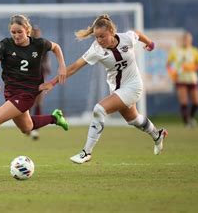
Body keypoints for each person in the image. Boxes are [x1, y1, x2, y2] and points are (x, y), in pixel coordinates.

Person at [41, 14, 168, 164]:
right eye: (96, 37)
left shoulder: (127, 38)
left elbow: (137, 34)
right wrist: (52, 82)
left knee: (99, 109)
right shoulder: (96, 49)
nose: (99, 40)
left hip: (133, 86)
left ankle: (86, 152)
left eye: (102, 36)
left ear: (112, 32)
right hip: (117, 89)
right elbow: (75, 67)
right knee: (133, 119)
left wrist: (150, 43)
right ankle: (157, 135)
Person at [0, 14, 69, 174]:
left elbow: (56, 47)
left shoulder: (39, 44)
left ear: (27, 31)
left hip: (27, 95)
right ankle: (54, 118)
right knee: (27, 127)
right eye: (13, 32)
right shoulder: (5, 45)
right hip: (11, 93)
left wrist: (62, 66)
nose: (16, 36)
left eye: (19, 32)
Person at [166, 31, 198, 128]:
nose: (186, 41)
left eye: (188, 39)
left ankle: (190, 117)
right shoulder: (175, 51)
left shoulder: (195, 51)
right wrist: (172, 73)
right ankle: (186, 123)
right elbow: (169, 65)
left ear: (191, 40)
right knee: (184, 102)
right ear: (182, 40)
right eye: (184, 39)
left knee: (196, 102)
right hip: (181, 79)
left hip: (192, 79)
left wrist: (191, 67)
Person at [29, 26, 51, 140]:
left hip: (40, 77)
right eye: (35, 32)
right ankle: (28, 126)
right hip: (27, 79)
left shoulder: (43, 45)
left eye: (38, 32)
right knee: (27, 103)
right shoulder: (26, 45)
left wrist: (47, 67)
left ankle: (35, 129)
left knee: (38, 101)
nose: (37, 34)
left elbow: (47, 60)